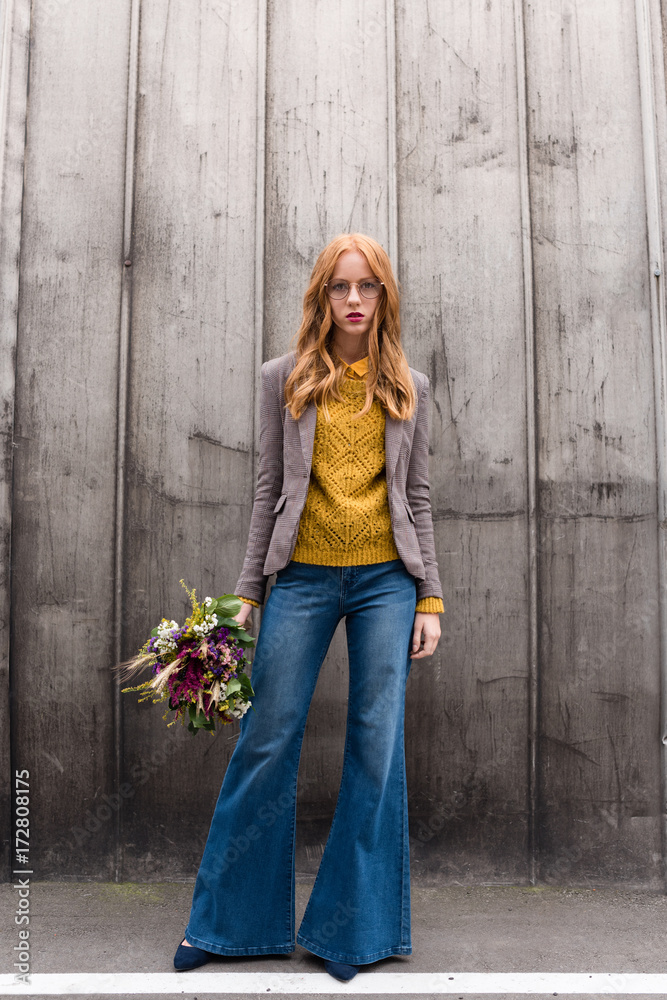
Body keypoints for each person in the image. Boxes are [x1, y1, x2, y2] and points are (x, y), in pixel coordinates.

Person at [173, 232, 444, 982]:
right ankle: (227, 925)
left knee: (373, 744)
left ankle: (349, 936)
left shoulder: (408, 386)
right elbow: (269, 492)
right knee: (266, 736)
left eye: (366, 288)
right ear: (320, 297)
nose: (352, 301)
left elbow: (415, 498)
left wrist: (430, 597)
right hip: (301, 579)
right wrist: (247, 593)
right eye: (338, 287)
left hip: (387, 582)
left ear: (384, 297)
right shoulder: (282, 378)